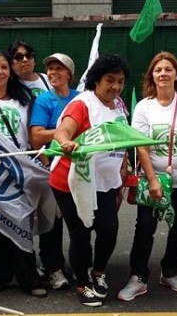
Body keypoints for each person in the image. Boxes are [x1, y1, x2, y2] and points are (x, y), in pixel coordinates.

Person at [117, 52, 177, 301]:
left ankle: (170, 270)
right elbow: (141, 146)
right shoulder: (144, 106)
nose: (163, 73)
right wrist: (153, 179)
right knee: (145, 227)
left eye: (168, 69)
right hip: (153, 178)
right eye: (158, 70)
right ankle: (138, 276)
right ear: (152, 76)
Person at [51, 54, 130, 307]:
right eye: (110, 80)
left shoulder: (119, 105)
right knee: (81, 233)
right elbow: (63, 130)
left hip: (106, 181)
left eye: (120, 81)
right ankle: (82, 283)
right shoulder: (82, 104)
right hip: (72, 181)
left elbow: (124, 139)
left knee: (109, 228)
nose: (116, 86)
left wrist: (124, 165)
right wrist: (66, 142)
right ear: (96, 79)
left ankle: (98, 271)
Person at [0, 51, 46, 297]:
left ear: (10, 71)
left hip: (18, 170)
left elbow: (31, 134)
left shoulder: (23, 99)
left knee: (21, 221)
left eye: (3, 67)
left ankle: (29, 279)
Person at [29, 52, 79, 291]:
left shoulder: (81, 99)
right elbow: (36, 136)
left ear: (70, 74)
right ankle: (53, 267)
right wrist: (62, 133)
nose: (52, 73)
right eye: (50, 69)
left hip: (79, 168)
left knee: (80, 220)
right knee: (52, 222)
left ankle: (80, 263)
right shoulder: (43, 100)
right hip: (53, 169)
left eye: (59, 68)